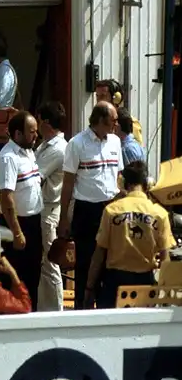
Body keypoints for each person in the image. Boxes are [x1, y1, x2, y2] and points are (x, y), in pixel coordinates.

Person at [58, 102, 122, 310]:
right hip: (87, 211)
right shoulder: (77, 144)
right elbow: (67, 184)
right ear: (101, 120)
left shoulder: (115, 142)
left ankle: (105, 307)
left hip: (111, 210)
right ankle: (82, 309)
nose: (116, 124)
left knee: (110, 263)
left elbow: (118, 177)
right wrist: (63, 218)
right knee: (85, 263)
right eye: (113, 120)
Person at [86, 161, 174, 308]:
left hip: (114, 284)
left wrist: (89, 288)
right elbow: (165, 259)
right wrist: (165, 293)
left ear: (122, 183)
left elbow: (99, 253)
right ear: (148, 183)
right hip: (144, 285)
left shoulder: (111, 210)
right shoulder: (160, 214)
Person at [0, 111, 43, 311]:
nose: (35, 136)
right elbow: (7, 197)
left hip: (33, 222)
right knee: (14, 279)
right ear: (17, 134)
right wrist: (17, 232)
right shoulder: (8, 158)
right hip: (16, 224)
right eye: (31, 132)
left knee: (32, 278)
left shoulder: (29, 151)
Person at [34, 101, 68, 312]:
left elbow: (34, 177)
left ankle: (57, 311)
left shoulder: (57, 149)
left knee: (50, 263)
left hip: (48, 210)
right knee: (43, 264)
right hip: (41, 208)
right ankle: (43, 309)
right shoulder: (44, 145)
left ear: (45, 122)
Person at [96, 78, 143, 145]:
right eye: (97, 96)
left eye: (103, 96)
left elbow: (135, 152)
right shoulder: (98, 122)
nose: (98, 100)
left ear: (117, 98)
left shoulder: (130, 122)